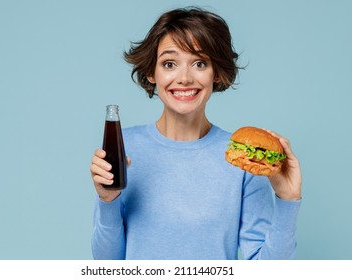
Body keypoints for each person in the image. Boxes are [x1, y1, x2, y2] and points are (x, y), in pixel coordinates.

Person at [90, 7, 302, 260]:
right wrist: (107, 201)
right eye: (169, 63)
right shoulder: (125, 147)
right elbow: (108, 266)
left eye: (199, 63)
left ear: (217, 73)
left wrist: (288, 200)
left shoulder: (244, 160)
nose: (185, 78)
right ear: (151, 73)